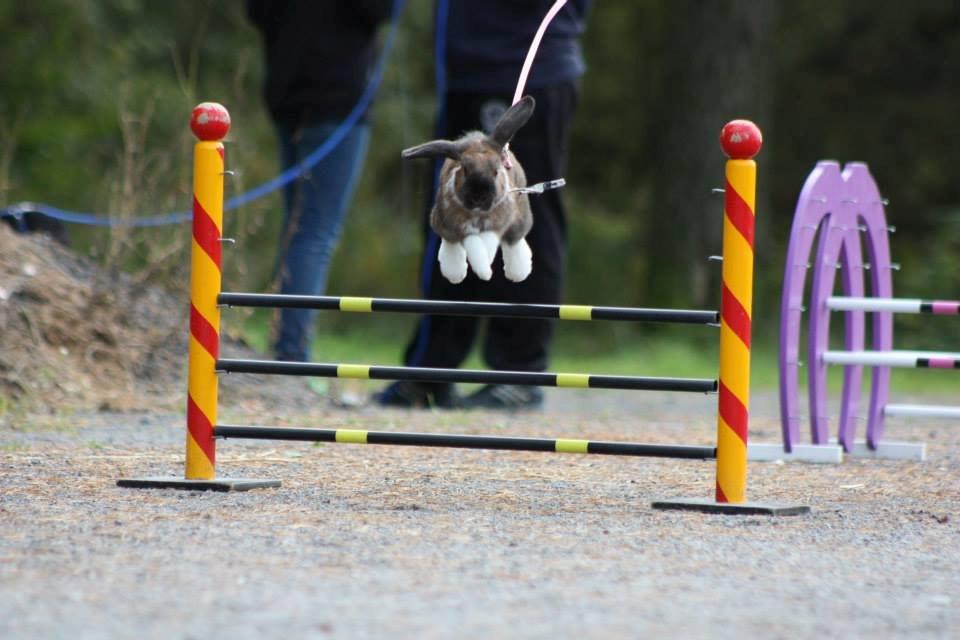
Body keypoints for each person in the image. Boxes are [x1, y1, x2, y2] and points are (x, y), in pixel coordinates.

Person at [378, 0, 592, 410]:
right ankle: (433, 370)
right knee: (451, 213)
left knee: (523, 217)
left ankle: (519, 372)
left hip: (526, 68)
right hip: (468, 71)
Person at [246, 1, 393, 362]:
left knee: (299, 228)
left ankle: (285, 345)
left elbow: (257, 12)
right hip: (337, 100)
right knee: (315, 233)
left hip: (286, 95)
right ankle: (291, 353)